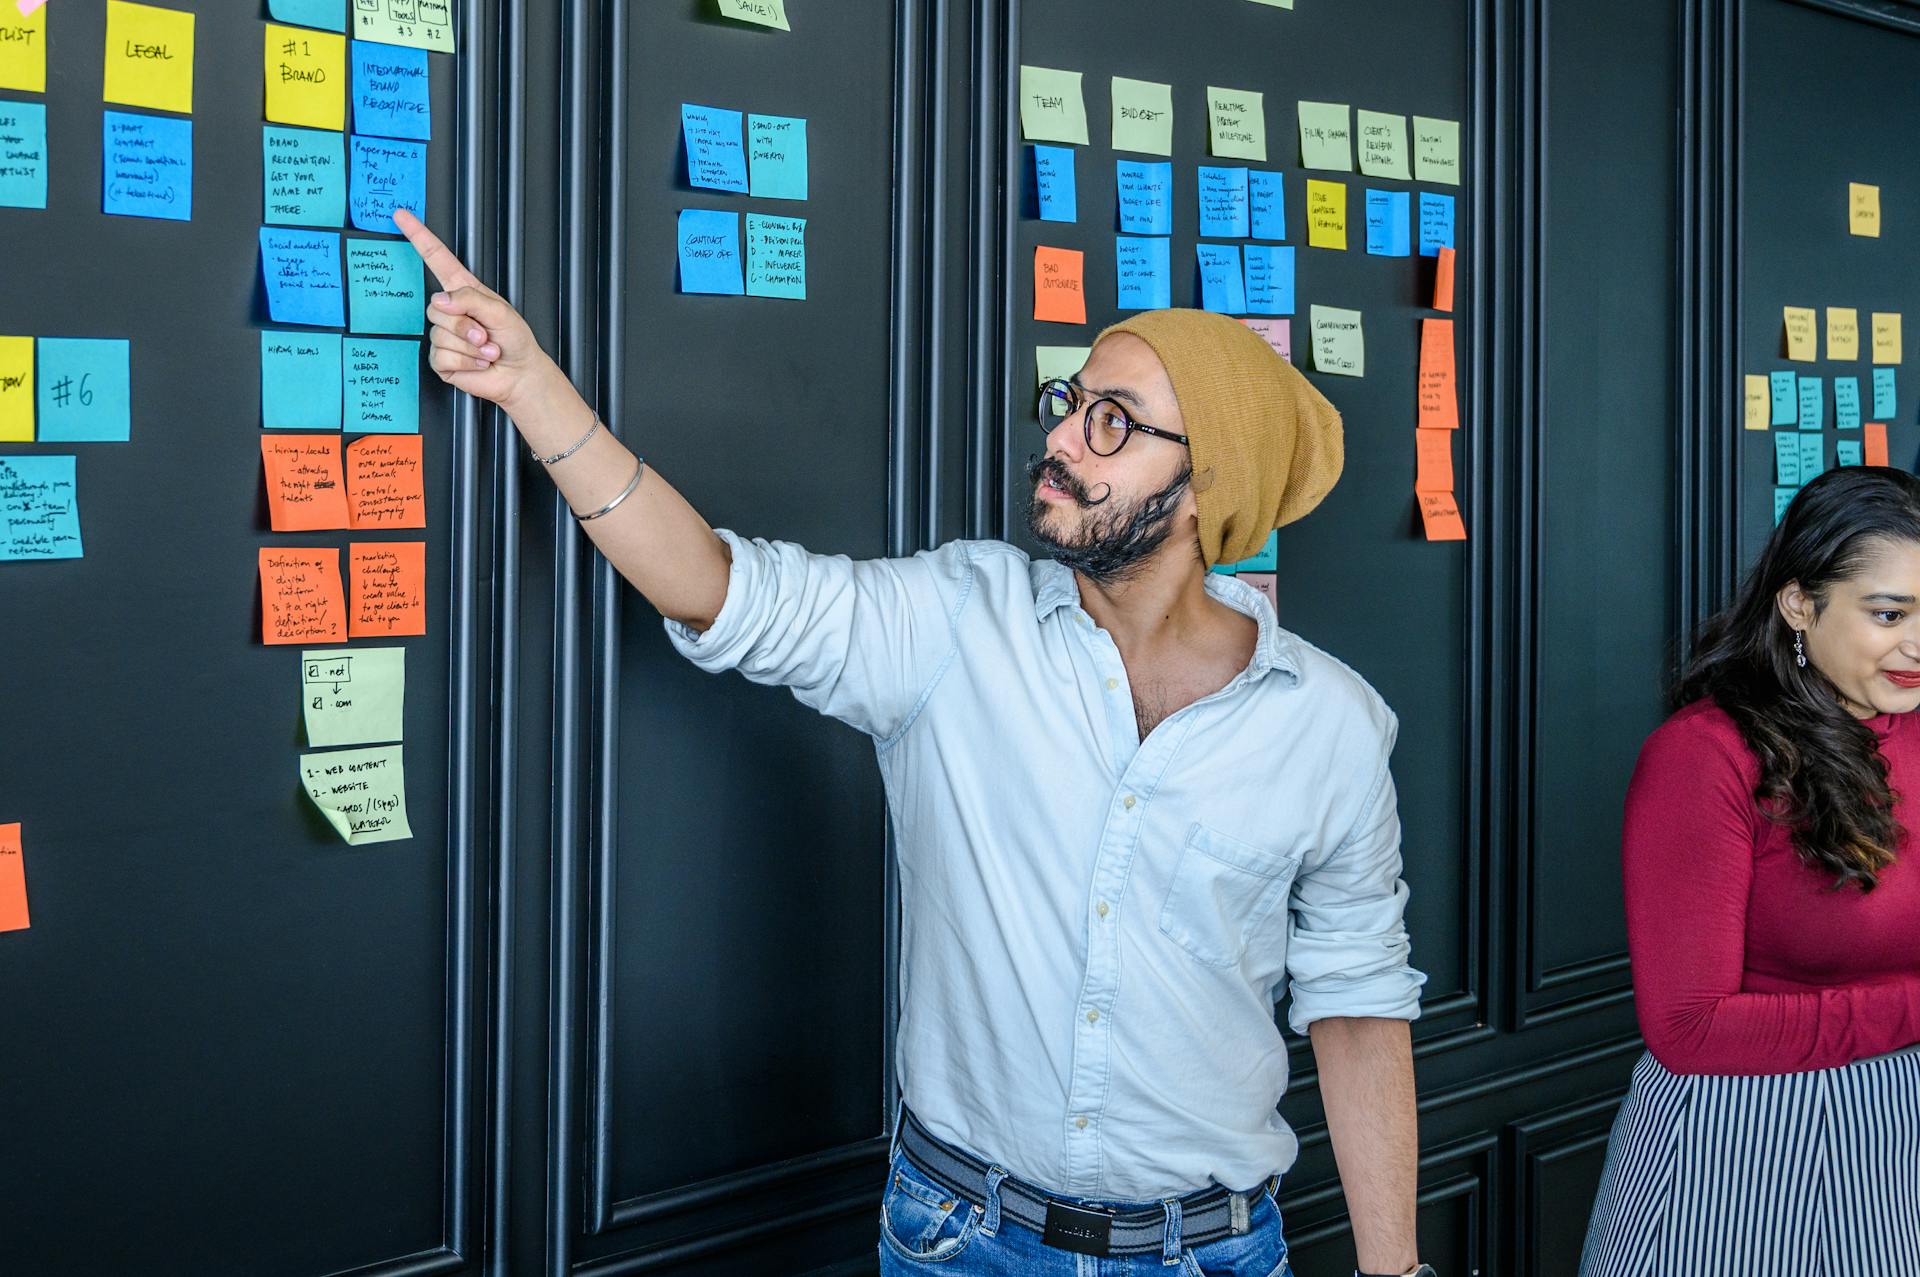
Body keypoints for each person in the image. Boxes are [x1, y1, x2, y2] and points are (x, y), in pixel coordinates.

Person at [394, 210, 1436, 1277]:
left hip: (1210, 1251)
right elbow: (715, 583)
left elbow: (1358, 1001)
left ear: (1208, 482)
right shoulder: (958, 620)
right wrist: (529, 387)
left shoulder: (1330, 723)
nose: (1064, 438)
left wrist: (1393, 1269)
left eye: (1114, 422)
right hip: (959, 1238)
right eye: (1069, 403)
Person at [1582, 467, 1920, 1276]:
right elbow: (1688, 1027)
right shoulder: (1706, 757)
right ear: (1800, 603)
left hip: (1899, 1138)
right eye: (1888, 613)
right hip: (1743, 1149)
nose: (1918, 644)